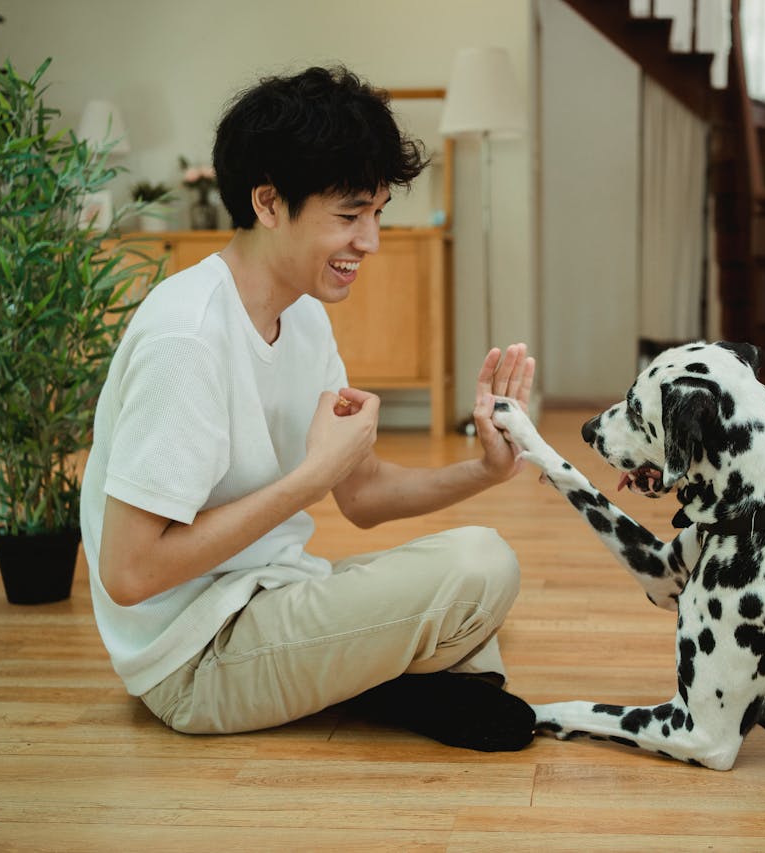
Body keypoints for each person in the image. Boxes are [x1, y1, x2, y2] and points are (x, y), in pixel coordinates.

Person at [79, 65, 538, 752]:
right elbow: (129, 571)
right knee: (478, 570)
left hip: (276, 594)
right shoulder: (188, 335)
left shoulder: (304, 315)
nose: (370, 242)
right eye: (350, 215)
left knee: (477, 566)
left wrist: (484, 469)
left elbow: (362, 492)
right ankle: (407, 679)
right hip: (193, 658)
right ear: (268, 203)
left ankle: (381, 676)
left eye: (377, 213)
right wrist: (307, 477)